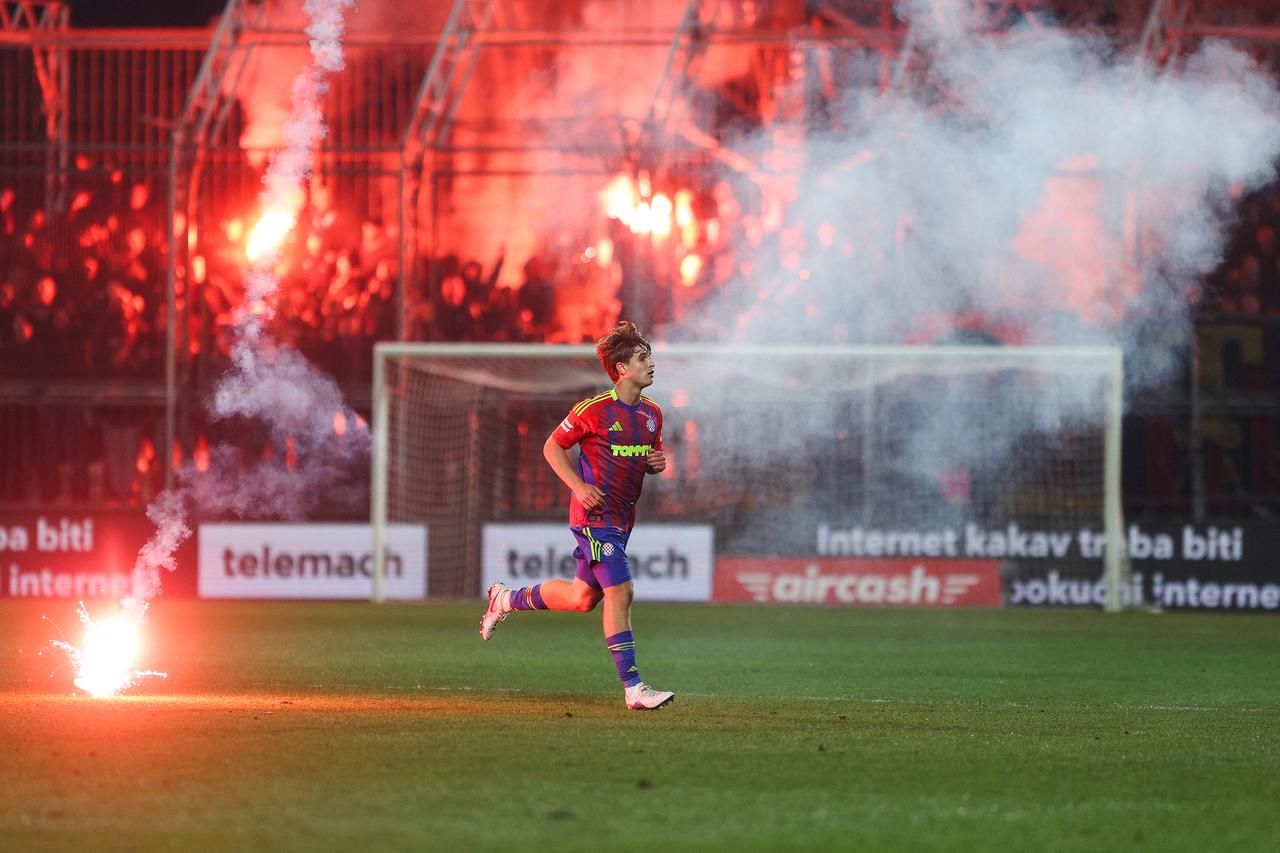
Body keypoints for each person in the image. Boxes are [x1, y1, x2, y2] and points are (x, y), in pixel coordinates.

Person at [480, 320, 675, 711]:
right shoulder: (593, 410)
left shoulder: (653, 414)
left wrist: (656, 463)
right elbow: (553, 447)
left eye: (650, 355)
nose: (651, 363)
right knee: (622, 591)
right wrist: (577, 486)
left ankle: (505, 599)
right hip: (594, 518)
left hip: (621, 520)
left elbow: (647, 458)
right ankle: (634, 689)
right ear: (622, 369)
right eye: (642, 357)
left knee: (582, 597)